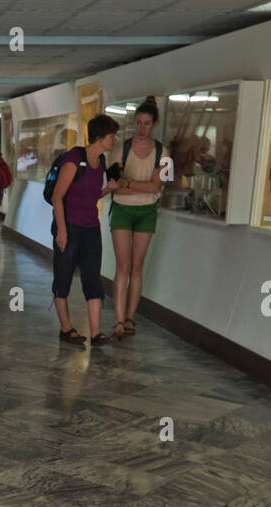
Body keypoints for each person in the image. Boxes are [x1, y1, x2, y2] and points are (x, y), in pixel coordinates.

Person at [51, 113, 121, 347]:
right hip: (70, 228)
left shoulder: (100, 162)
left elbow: (90, 196)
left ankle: (96, 332)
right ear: (100, 137)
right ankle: (66, 328)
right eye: (112, 136)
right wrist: (62, 231)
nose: (115, 140)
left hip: (91, 228)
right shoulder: (73, 159)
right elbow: (57, 197)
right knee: (63, 280)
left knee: (93, 280)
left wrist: (108, 189)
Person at [110, 96, 164, 339]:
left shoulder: (163, 152)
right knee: (122, 266)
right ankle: (119, 319)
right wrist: (143, 184)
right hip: (122, 209)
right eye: (138, 123)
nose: (142, 128)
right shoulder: (121, 149)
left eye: (147, 123)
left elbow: (156, 189)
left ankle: (131, 317)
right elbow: (116, 187)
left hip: (146, 211)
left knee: (136, 268)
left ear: (154, 125)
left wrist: (130, 182)